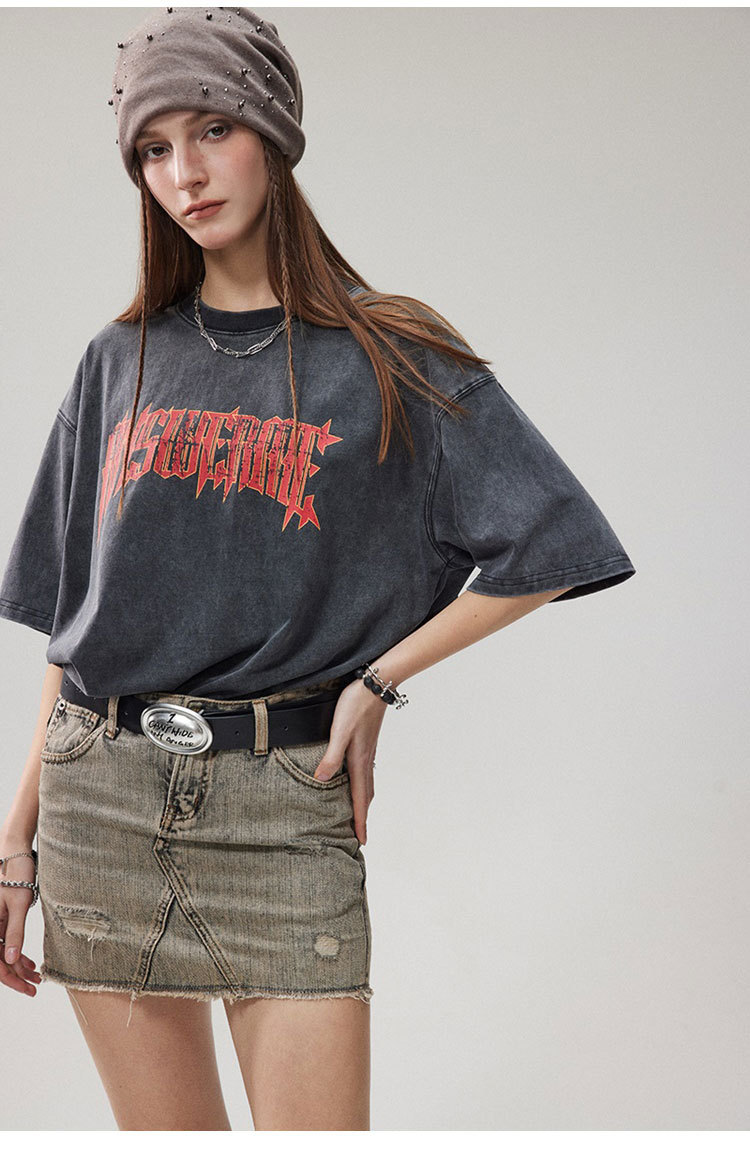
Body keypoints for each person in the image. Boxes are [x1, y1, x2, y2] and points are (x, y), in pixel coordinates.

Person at [0, 6, 636, 1132]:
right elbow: (75, 621)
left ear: (273, 133)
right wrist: (14, 842)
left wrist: (380, 678)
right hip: (101, 797)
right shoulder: (118, 360)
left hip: (283, 810)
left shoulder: (390, 354)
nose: (186, 174)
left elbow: (550, 543)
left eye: (212, 130)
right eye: (154, 149)